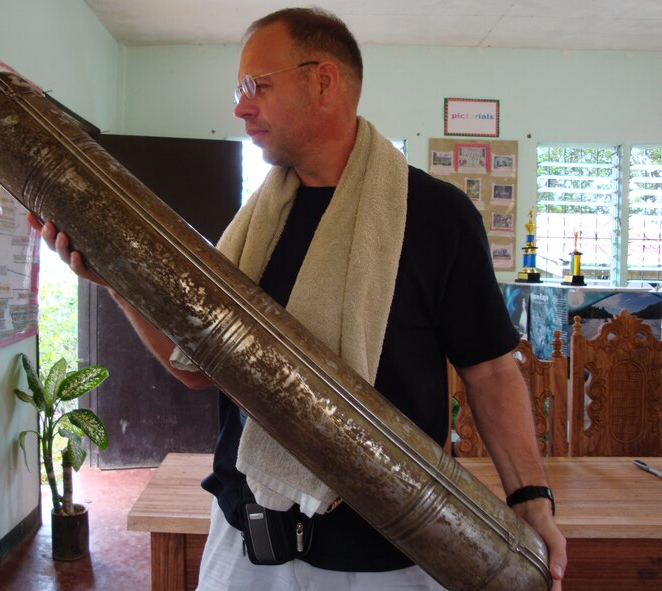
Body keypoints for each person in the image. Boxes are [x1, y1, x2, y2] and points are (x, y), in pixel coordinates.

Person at [31, 7, 566, 590]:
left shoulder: (438, 217)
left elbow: (489, 371)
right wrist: (117, 281)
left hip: (388, 558)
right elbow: (197, 369)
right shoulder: (254, 228)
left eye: (257, 85)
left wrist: (530, 494)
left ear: (324, 81)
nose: (240, 107)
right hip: (245, 543)